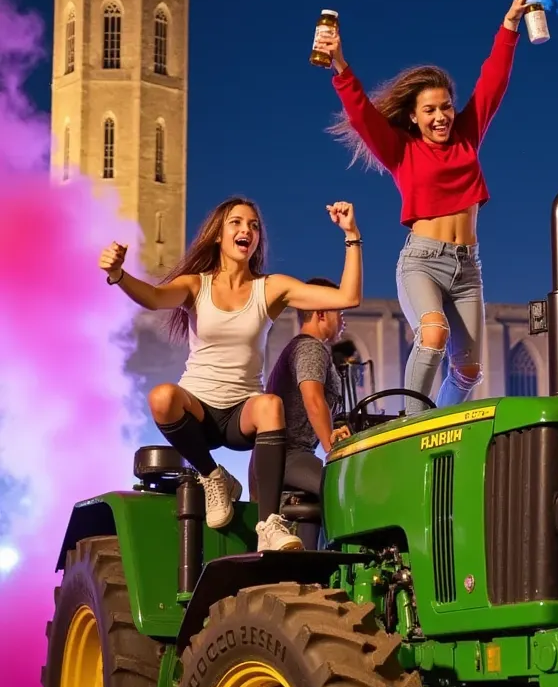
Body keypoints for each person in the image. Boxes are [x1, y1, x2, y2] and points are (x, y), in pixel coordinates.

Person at [98, 197, 362, 552]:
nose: (246, 231)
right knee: (162, 397)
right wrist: (118, 274)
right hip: (200, 411)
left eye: (253, 226)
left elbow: (348, 296)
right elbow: (154, 297)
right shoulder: (197, 285)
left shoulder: (269, 288)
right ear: (218, 236)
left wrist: (351, 235)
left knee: (270, 404)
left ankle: (269, 525)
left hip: (242, 414)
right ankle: (213, 476)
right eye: (236, 223)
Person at [327, 0, 529, 407]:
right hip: (423, 262)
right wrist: (340, 65)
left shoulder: (467, 137)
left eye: (446, 107)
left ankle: (439, 423)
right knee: (433, 334)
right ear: (414, 117)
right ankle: (412, 424)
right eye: (430, 111)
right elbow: (363, 114)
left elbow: (493, 83)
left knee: (469, 370)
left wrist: (509, 27)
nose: (441, 117)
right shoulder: (401, 150)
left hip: (468, 268)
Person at [251, 277, 351, 511]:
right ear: (321, 313)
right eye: (340, 313)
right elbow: (313, 400)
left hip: (286, 459)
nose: (343, 321)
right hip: (288, 458)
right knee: (343, 488)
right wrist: (331, 450)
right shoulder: (310, 348)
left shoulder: (303, 347)